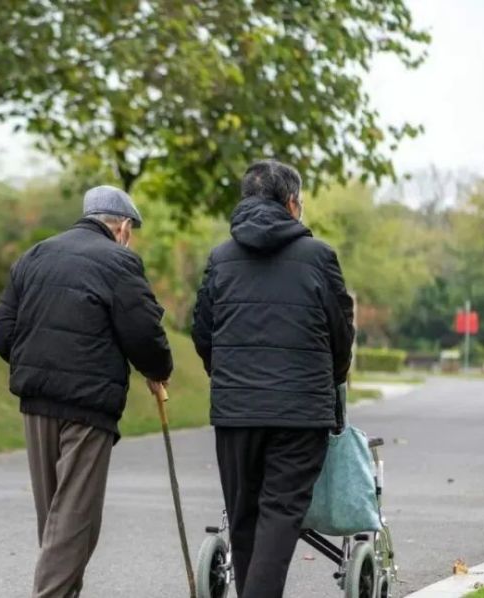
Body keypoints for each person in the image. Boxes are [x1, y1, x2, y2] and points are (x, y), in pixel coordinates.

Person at [0, 185, 173, 598]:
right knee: (74, 519)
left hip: (37, 404)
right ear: (123, 227)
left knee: (55, 518)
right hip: (88, 406)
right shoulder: (120, 262)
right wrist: (158, 370)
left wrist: (32, 364)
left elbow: (3, 329)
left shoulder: (35, 255)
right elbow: (143, 331)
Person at [191, 160, 355, 598]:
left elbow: (203, 333)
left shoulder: (221, 260)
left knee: (243, 516)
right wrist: (332, 379)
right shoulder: (319, 257)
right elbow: (342, 335)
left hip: (236, 412)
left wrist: (228, 378)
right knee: (281, 514)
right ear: (291, 204)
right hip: (300, 414)